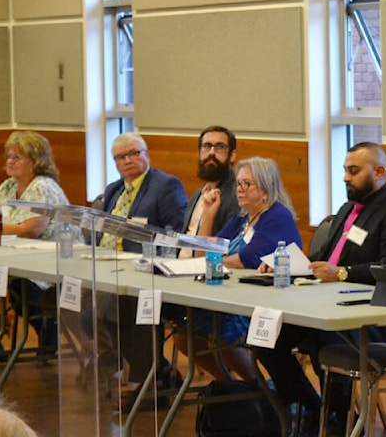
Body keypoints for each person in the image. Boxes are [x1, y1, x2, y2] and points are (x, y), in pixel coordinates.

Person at [256, 142, 386, 437]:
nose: (346, 177)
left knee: (324, 337)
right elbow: (325, 262)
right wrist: (287, 266)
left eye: (354, 171)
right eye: (345, 170)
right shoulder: (347, 209)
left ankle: (337, 419)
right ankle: (310, 406)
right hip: (327, 305)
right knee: (265, 335)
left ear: (380, 171)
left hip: (374, 317)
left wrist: (343, 273)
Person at [84, 133, 188, 409]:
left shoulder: (165, 185)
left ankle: (146, 382)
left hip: (149, 273)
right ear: (115, 162)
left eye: (134, 153)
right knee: (90, 314)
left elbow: (175, 233)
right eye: (121, 157)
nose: (128, 160)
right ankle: (159, 372)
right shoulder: (114, 189)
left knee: (121, 308)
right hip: (109, 268)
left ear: (146, 154)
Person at [175, 156, 301, 381]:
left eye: (247, 184)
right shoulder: (242, 219)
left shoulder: (276, 217)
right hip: (232, 296)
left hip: (262, 303)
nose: (240, 190)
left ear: (266, 189)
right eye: (238, 184)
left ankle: (257, 389)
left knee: (223, 334)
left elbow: (246, 260)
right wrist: (209, 212)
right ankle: (230, 385)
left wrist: (212, 260)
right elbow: (204, 252)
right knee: (185, 333)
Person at [0, 131, 69, 354]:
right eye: (8, 157)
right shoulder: (8, 186)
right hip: (10, 259)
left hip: (47, 265)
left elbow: (30, 229)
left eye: (17, 157)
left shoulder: (43, 187)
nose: (9, 162)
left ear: (35, 162)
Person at [178, 126, 241, 257]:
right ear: (199, 153)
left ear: (232, 155)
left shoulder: (238, 196)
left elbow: (228, 248)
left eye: (220, 147)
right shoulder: (198, 194)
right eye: (206, 146)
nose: (211, 152)